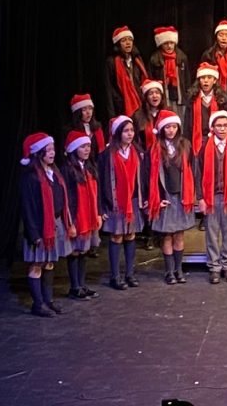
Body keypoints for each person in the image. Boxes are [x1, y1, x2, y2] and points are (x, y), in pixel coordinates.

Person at [20, 133, 75, 316]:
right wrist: (34, 234)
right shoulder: (31, 177)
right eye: (48, 150)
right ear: (38, 153)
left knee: (49, 263)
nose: (52, 153)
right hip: (39, 227)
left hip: (55, 224)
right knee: (37, 264)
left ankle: (48, 300)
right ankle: (38, 304)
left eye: (53, 149)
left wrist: (66, 223)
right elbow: (27, 208)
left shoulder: (55, 173)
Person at [98, 115, 150, 291]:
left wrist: (145, 198)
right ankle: (115, 276)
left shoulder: (138, 152)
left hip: (133, 200)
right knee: (117, 236)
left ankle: (129, 274)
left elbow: (143, 178)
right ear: (118, 133)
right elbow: (101, 182)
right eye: (126, 131)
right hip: (115, 201)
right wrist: (101, 207)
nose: (130, 134)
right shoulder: (107, 155)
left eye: (131, 130)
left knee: (130, 235)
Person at [194, 110, 227, 284]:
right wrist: (200, 198)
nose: (222, 129)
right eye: (218, 125)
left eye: (225, 125)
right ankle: (214, 267)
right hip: (211, 197)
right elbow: (198, 174)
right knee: (212, 234)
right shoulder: (204, 147)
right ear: (212, 128)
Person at [147, 110, 196, 284]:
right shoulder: (155, 149)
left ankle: (178, 269)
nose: (171, 130)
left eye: (174, 127)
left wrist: (190, 194)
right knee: (167, 235)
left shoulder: (185, 145)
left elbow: (193, 169)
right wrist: (157, 198)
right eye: (167, 127)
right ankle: (169, 272)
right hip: (165, 197)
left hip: (181, 196)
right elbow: (149, 176)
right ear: (162, 129)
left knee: (179, 235)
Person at [60, 130, 102, 299]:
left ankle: (82, 285)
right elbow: (67, 198)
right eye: (83, 147)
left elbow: (97, 193)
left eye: (88, 146)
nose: (86, 150)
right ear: (74, 149)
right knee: (75, 251)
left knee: (84, 251)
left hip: (90, 215)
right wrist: (70, 222)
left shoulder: (89, 167)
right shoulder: (67, 169)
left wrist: (99, 213)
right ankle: (74, 287)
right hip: (77, 216)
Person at [104, 26, 149, 121]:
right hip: (122, 105)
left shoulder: (137, 60)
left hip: (139, 104)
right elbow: (109, 88)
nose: (128, 43)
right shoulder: (111, 62)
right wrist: (112, 114)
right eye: (123, 40)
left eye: (130, 39)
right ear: (118, 44)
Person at [147, 26, 189, 112]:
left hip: (179, 98)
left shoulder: (182, 57)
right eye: (166, 43)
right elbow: (151, 78)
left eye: (171, 43)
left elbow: (187, 78)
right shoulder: (155, 59)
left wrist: (187, 94)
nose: (169, 46)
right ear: (161, 44)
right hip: (164, 99)